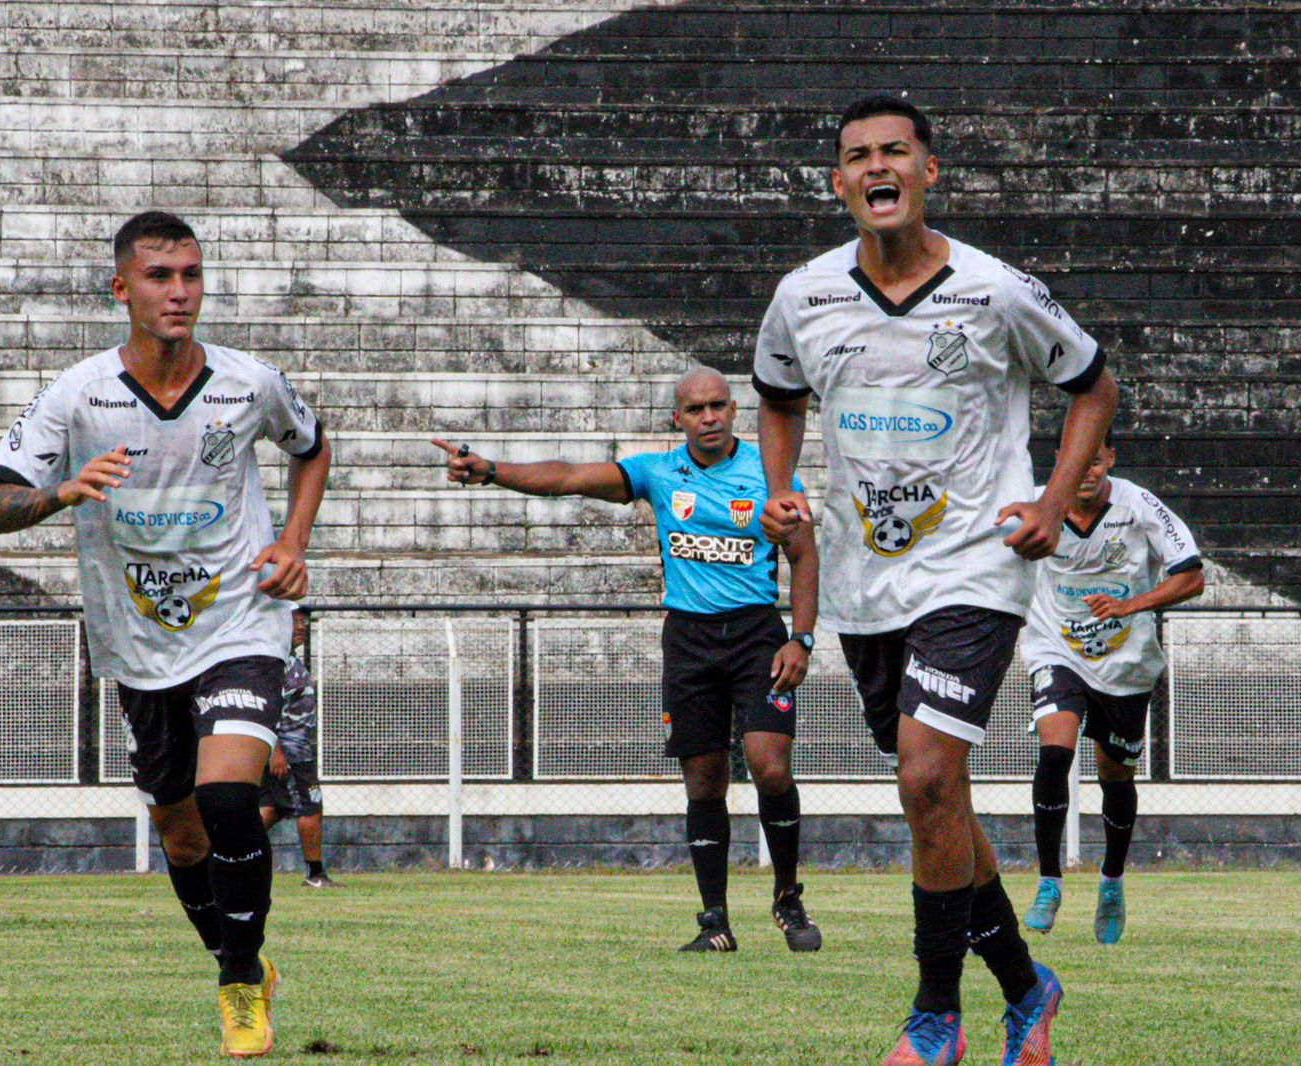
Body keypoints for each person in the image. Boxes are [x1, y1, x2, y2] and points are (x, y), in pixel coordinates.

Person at [752, 95, 1119, 1066]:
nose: (877, 166)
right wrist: (783, 491)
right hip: (864, 582)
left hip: (974, 568)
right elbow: (778, 398)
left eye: (895, 152)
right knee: (936, 798)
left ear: (927, 171)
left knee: (923, 774)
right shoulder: (802, 296)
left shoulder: (994, 290)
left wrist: (1045, 504)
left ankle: (932, 1017)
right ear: (838, 182)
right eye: (856, 155)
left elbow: (1091, 381)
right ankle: (1027, 988)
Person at [0, 211, 329, 1058]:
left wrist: (291, 543)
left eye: (191, 275)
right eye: (159, 276)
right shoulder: (78, 394)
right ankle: (237, 956)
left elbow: (312, 447)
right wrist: (60, 495)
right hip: (138, 639)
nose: (179, 292)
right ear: (121, 289)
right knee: (180, 828)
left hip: (241, 618)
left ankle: (239, 984)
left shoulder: (250, 382)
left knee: (226, 795)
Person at [432, 364, 823, 952]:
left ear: (735, 411)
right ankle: (715, 921)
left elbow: (804, 553)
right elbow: (567, 477)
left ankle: (788, 898)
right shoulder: (659, 472)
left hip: (758, 636)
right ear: (678, 419)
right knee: (704, 781)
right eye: (696, 410)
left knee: (769, 764)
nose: (709, 417)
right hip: (689, 638)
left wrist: (803, 637)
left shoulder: (768, 474)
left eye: (718, 405)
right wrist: (491, 472)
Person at [1020, 430, 1203, 944]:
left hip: (1125, 664)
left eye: (1096, 463)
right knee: (1055, 751)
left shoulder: (1139, 505)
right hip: (1058, 652)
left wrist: (1129, 605)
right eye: (1078, 462)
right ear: (1062, 460)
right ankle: (1049, 883)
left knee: (1114, 773)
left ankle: (1111, 881)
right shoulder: (1038, 506)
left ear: (1109, 461)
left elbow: (1192, 576)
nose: (1087, 472)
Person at [259, 608, 340, 888]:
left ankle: (226, 854)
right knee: (310, 807)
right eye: (292, 620)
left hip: (294, 749)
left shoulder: (287, 660)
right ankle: (315, 875)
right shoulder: (272, 663)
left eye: (302, 620)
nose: (300, 625)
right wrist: (276, 751)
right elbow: (264, 710)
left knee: (272, 808)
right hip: (289, 753)